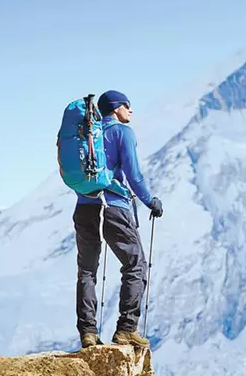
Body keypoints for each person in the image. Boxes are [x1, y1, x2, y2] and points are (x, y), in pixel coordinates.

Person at [72, 89, 163, 348]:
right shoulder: (122, 132)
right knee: (135, 265)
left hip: (85, 207)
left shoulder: (87, 134)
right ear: (115, 108)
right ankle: (126, 329)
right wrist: (150, 201)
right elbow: (134, 175)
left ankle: (88, 333)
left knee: (87, 270)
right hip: (114, 207)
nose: (131, 110)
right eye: (127, 105)